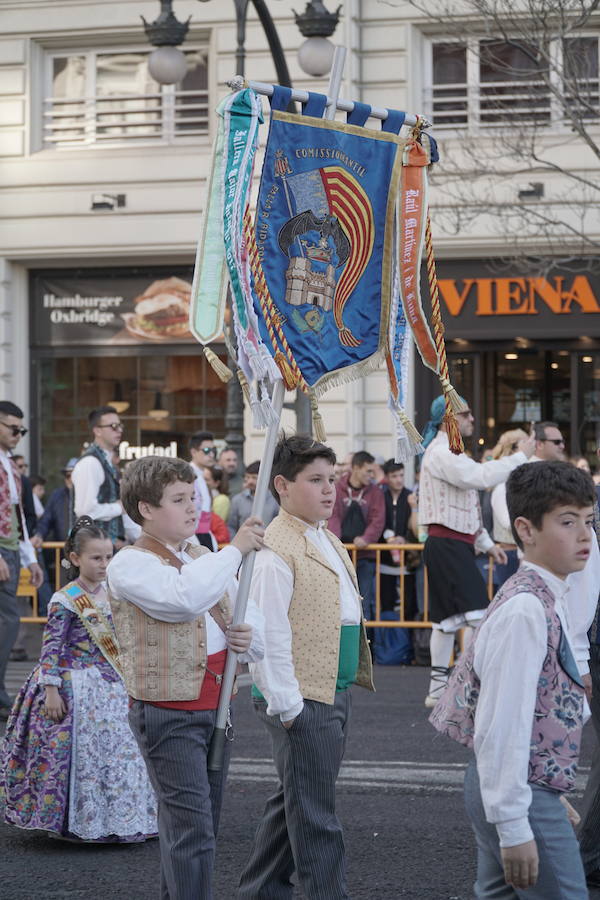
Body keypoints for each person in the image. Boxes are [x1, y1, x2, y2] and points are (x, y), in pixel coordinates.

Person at [431, 461, 596, 899]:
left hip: (514, 783)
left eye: (589, 521)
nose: (585, 536)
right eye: (568, 521)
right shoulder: (526, 609)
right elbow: (500, 725)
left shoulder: (545, 594)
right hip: (515, 786)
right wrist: (516, 821)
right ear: (525, 529)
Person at [107, 455, 265, 900]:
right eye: (178, 500)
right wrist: (235, 549)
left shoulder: (200, 553)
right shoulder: (129, 563)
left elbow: (241, 619)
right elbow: (183, 599)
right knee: (192, 830)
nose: (193, 507)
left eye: (192, 497)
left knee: (196, 828)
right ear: (146, 509)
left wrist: (244, 637)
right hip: (168, 712)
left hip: (216, 707)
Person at [238, 435, 374, 900]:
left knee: (294, 801)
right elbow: (268, 633)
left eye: (331, 479)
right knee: (316, 816)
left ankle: (259, 891)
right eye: (315, 480)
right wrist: (289, 705)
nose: (329, 490)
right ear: (282, 485)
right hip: (303, 696)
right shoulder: (274, 549)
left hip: (330, 689)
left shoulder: (325, 537)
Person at [0, 516, 157, 841]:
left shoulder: (112, 594)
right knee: (80, 757)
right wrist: (51, 689)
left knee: (119, 752)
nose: (103, 564)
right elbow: (51, 648)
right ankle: (76, 821)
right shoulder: (65, 598)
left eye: (108, 557)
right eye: (96, 558)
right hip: (74, 686)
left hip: (110, 686)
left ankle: (120, 820)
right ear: (75, 559)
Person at [418, 396, 535, 708]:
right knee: (478, 616)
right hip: (446, 545)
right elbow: (479, 478)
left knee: (446, 621)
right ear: (448, 420)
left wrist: (487, 545)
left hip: (452, 544)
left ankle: (438, 688)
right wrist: (520, 457)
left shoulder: (450, 453)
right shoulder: (441, 452)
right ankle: (469, 684)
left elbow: (465, 506)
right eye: (465, 413)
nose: (472, 418)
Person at [0, 401, 43, 719]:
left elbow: (19, 517)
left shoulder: (12, 465)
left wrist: (30, 558)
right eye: (13, 428)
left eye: (22, 430)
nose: (19, 434)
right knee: (8, 620)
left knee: (8, 622)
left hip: (12, 550)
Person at [328, 450, 386, 623]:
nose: (371, 475)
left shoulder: (375, 492)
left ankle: (365, 646)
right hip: (340, 557)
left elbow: (378, 520)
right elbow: (332, 515)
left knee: (364, 602)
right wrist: (338, 544)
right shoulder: (337, 489)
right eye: (368, 471)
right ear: (355, 468)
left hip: (365, 557)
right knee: (340, 602)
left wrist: (366, 539)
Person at [72, 406, 126, 546]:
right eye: (113, 426)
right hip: (92, 549)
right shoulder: (90, 462)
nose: (119, 430)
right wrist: (119, 508)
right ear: (97, 430)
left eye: (120, 425)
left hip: (105, 548)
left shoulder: (106, 461)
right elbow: (85, 511)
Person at [489, 429, 529, 589]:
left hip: (522, 552)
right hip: (510, 555)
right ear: (513, 450)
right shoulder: (501, 487)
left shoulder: (519, 483)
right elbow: (508, 522)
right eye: (525, 444)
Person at [227, 460, 279, 537]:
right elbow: (231, 526)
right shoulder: (237, 500)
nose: (250, 481)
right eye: (247, 477)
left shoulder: (275, 500)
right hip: (244, 545)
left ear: (265, 478)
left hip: (267, 545)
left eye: (254, 478)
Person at [190, 430, 218, 550]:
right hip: (191, 535)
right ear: (194, 452)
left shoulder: (203, 475)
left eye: (214, 450)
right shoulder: (187, 474)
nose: (211, 454)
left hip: (204, 532)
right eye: (206, 450)